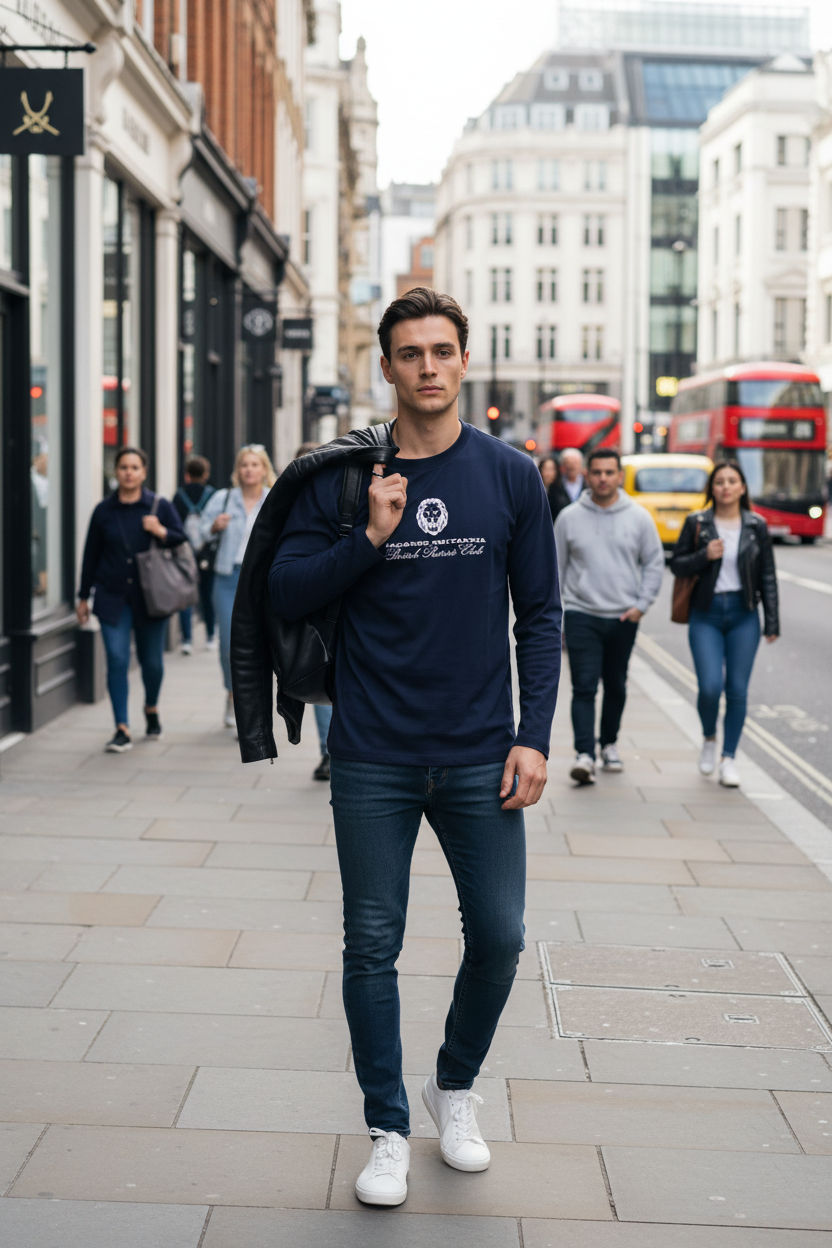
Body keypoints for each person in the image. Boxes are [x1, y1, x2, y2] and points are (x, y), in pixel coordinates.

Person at [269, 288, 561, 1206]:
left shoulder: (512, 475)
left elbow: (543, 616)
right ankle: (388, 1126)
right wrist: (369, 537)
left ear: (463, 361)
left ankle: (455, 1085)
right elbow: (283, 591)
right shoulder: (343, 479)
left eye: (442, 351)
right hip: (372, 753)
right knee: (371, 946)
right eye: (410, 353)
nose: (428, 367)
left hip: (482, 753)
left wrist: (535, 737)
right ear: (386, 367)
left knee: (502, 938)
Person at [555, 447, 664, 785]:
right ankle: (584, 754)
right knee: (584, 686)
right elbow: (555, 569)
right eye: (597, 472)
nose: (603, 478)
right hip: (581, 613)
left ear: (619, 476)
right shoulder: (569, 517)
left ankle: (610, 744)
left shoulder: (639, 517)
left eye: (609, 472)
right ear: (587, 474)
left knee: (616, 684)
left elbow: (654, 562)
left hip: (623, 617)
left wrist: (641, 605)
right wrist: (559, 614)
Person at [670, 459, 778, 787]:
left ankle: (729, 758)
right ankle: (708, 739)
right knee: (709, 687)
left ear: (742, 488)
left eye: (732, 481)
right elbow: (677, 565)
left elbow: (768, 576)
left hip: (744, 614)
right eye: (720, 482)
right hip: (707, 613)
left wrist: (772, 620)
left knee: (737, 690)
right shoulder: (697, 522)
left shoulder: (756, 525)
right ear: (712, 488)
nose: (726, 487)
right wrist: (706, 555)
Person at [77, 446, 185, 752]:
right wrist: (83, 597)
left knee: (152, 663)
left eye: (134, 467)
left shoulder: (159, 505)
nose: (128, 472)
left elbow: (180, 538)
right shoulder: (103, 511)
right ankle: (121, 727)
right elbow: (90, 556)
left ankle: (151, 707)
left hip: (151, 598)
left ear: (143, 472)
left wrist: (161, 530)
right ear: (116, 472)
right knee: (117, 659)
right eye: (123, 467)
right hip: (112, 598)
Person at [200, 445, 276, 730]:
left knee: (258, 643)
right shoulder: (223, 498)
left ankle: (251, 701)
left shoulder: (274, 499)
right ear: (238, 470)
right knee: (229, 645)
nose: (249, 470)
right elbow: (193, 532)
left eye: (255, 465)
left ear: (263, 469)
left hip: (261, 580)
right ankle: (233, 695)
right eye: (244, 465)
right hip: (227, 578)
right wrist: (213, 528)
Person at [293, 441, 333, 781]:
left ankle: (332, 750)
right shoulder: (290, 504)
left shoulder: (343, 498)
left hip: (342, 608)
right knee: (322, 677)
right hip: (310, 611)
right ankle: (328, 752)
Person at [173, 455, 216, 655]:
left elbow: (174, 524)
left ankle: (187, 639)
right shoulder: (213, 495)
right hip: (206, 552)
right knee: (207, 594)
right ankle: (209, 636)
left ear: (187, 475)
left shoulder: (179, 496)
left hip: (184, 552)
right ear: (206, 474)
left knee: (186, 595)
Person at [538, 455, 570, 523]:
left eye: (552, 469)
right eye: (546, 469)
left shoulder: (560, 492)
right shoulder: (535, 490)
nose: (549, 473)